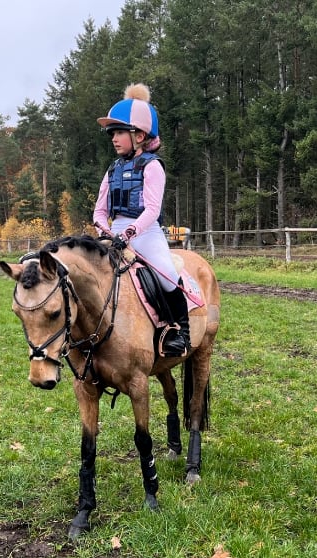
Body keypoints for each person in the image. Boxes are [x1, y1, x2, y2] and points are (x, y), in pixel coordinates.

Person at [93, 83, 190, 357]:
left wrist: (129, 233)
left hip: (145, 232)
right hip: (113, 234)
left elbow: (152, 209)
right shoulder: (112, 169)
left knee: (167, 275)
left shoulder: (153, 166)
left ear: (139, 135)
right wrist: (105, 231)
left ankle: (179, 332)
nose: (114, 138)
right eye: (112, 133)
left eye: (119, 132)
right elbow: (99, 211)